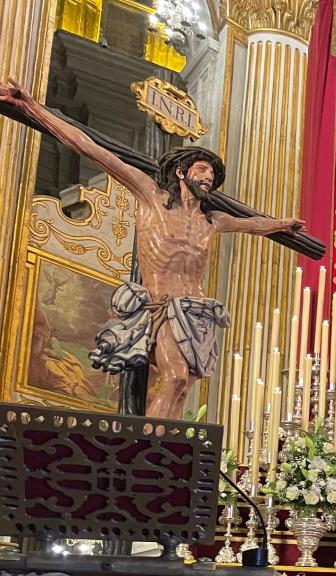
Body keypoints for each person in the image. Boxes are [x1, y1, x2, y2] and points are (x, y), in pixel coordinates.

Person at [0, 79, 303, 419]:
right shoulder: (151, 198)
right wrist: (29, 106)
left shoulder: (212, 221)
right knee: (173, 378)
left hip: (198, 312)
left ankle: (167, 457)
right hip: (162, 306)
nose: (208, 178)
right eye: (202, 170)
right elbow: (91, 149)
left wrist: (282, 224)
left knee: (184, 385)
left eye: (213, 176)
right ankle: (150, 448)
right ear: (181, 171)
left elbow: (255, 225)